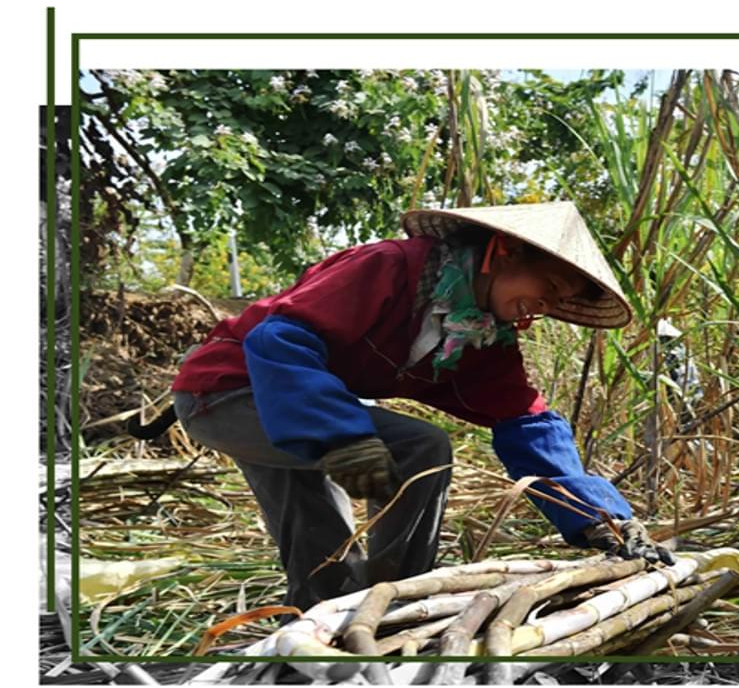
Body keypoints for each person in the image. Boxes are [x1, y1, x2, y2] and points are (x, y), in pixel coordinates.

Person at [170, 201, 672, 611]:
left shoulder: (477, 337)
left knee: (318, 531)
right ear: (504, 251)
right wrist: (341, 436)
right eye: (548, 289)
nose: (541, 308)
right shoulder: (388, 267)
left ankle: (322, 627)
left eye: (555, 303)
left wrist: (601, 519)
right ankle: (399, 599)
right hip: (226, 394)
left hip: (287, 406)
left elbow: (528, 422)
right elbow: (279, 340)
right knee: (421, 447)